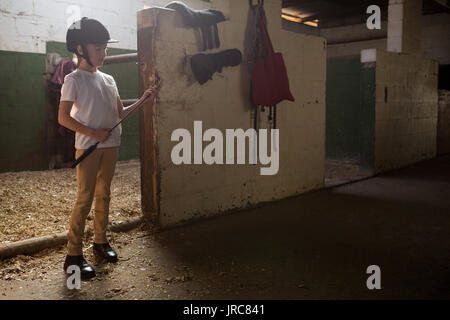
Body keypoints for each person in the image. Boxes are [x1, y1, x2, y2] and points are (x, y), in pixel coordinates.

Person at [58, 17, 160, 279]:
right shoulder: (74, 79)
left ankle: (101, 241)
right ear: (81, 49)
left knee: (104, 194)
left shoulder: (109, 79)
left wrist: (144, 100)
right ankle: (73, 254)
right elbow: (63, 117)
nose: (104, 53)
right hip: (89, 147)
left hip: (112, 144)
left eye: (105, 48)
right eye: (99, 48)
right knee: (85, 198)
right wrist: (93, 133)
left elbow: (120, 114)